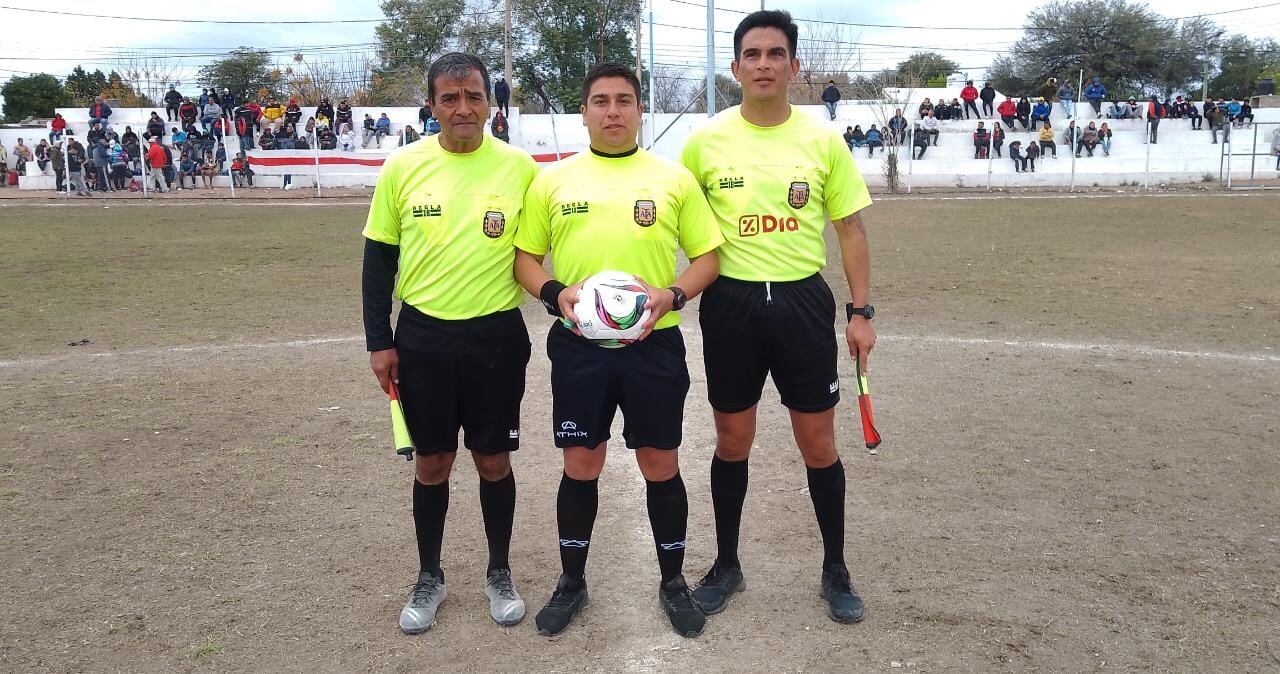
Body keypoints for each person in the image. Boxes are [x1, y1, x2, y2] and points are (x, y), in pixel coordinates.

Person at [513, 61, 722, 639]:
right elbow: (525, 259)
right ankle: (572, 583)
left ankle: (673, 583)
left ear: (638, 109)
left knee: (661, 464)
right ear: (583, 112)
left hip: (654, 345)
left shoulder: (672, 179)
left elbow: (709, 256)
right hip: (579, 347)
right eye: (600, 101)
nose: (612, 111)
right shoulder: (552, 181)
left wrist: (672, 292)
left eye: (624, 100)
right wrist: (556, 294)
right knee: (581, 463)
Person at [680, 9, 874, 627]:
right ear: (735, 67)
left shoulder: (822, 141)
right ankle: (727, 565)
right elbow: (672, 223)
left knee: (818, 443)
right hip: (731, 304)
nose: (764, 64)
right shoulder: (705, 142)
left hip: (802, 303)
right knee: (732, 440)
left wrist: (861, 310)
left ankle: (835, 568)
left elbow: (849, 227)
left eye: (775, 53)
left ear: (794, 66)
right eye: (752, 54)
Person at [363, 52, 541, 636]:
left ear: (491, 101)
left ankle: (499, 571)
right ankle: (430, 576)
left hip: (495, 335)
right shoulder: (403, 167)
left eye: (474, 97)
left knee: (493, 459)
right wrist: (379, 340)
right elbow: (377, 260)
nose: (463, 109)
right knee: (433, 462)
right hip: (423, 339)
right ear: (432, 105)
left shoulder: (521, 169)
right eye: (450, 98)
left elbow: (538, 249)